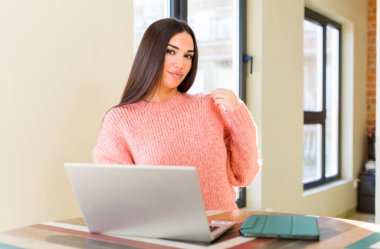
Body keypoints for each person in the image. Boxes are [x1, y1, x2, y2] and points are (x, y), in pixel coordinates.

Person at [93, 18, 260, 210]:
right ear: (151, 52)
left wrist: (239, 114)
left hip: (224, 230)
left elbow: (244, 174)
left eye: (188, 56)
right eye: (171, 52)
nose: (180, 63)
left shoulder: (208, 106)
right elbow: (117, 197)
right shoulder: (121, 119)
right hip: (163, 235)